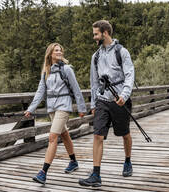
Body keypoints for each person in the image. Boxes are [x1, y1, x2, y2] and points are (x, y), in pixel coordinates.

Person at [79, 20, 135, 187]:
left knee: (124, 134)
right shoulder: (95, 57)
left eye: (96, 34)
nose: (94, 37)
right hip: (102, 100)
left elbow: (130, 75)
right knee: (98, 135)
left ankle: (127, 160)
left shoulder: (122, 52)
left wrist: (124, 95)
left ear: (105, 33)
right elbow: (94, 82)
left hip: (119, 101)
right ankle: (96, 174)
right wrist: (93, 104)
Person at [25, 43, 87, 184]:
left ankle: (43, 172)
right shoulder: (46, 71)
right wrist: (31, 108)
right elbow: (41, 92)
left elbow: (76, 89)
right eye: (56, 50)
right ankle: (73, 162)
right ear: (50, 54)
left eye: (60, 50)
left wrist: (82, 108)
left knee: (52, 137)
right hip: (52, 108)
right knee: (64, 134)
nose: (59, 52)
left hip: (63, 106)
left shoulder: (66, 69)